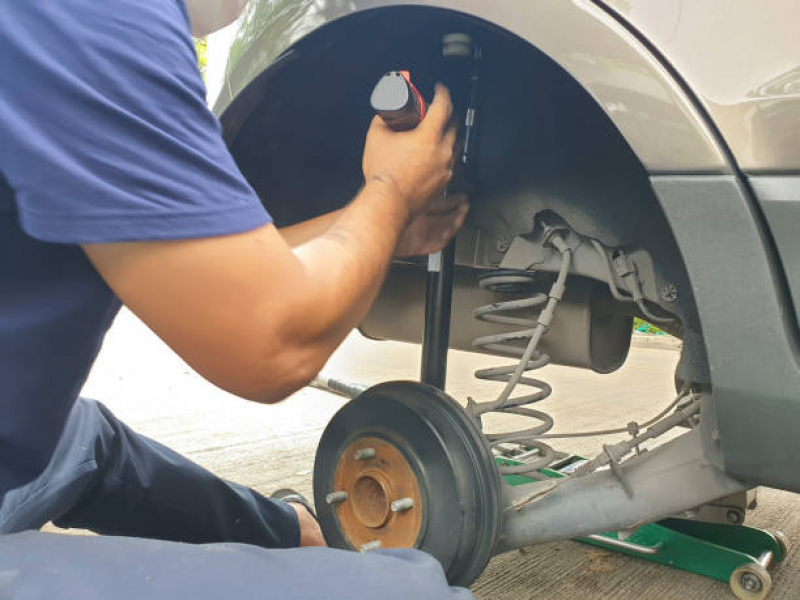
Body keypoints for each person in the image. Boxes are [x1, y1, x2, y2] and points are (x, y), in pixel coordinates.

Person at [0, 0, 470, 598]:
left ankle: (289, 532)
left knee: (84, 439)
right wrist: (390, 190)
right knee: (417, 595)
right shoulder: (96, 17)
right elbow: (272, 344)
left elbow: (211, 265)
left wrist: (380, 223)